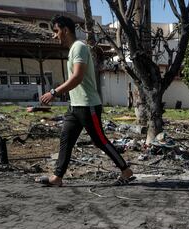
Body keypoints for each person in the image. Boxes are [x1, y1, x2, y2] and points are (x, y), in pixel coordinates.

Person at [37, 15, 133, 187]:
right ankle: (58, 177)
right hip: (75, 106)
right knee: (66, 138)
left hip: (88, 105)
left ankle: (126, 170)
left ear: (65, 30)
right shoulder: (74, 49)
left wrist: (54, 92)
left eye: (56, 31)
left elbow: (77, 77)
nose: (55, 35)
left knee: (100, 140)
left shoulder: (79, 47)